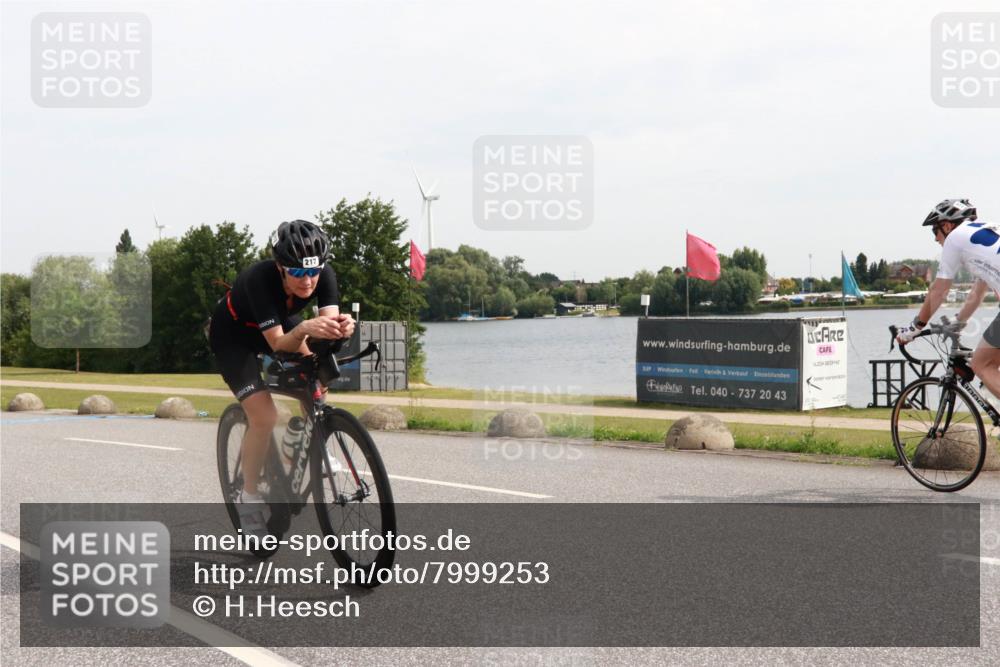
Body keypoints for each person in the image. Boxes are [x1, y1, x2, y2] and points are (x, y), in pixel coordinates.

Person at [209, 220, 354, 536]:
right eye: (299, 273)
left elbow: (323, 338)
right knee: (264, 416)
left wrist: (341, 329)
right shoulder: (260, 280)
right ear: (280, 267)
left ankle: (300, 441)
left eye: (313, 272)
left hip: (278, 326)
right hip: (234, 336)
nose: (308, 281)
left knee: (316, 373)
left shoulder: (323, 275)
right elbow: (277, 342)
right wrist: (303, 328)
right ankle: (248, 497)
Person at [896, 199, 1000, 399]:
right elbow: (979, 290)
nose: (936, 239)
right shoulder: (986, 234)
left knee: (982, 364)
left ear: (947, 225)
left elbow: (939, 290)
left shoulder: (955, 238)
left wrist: (915, 327)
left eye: (935, 231)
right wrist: (959, 321)